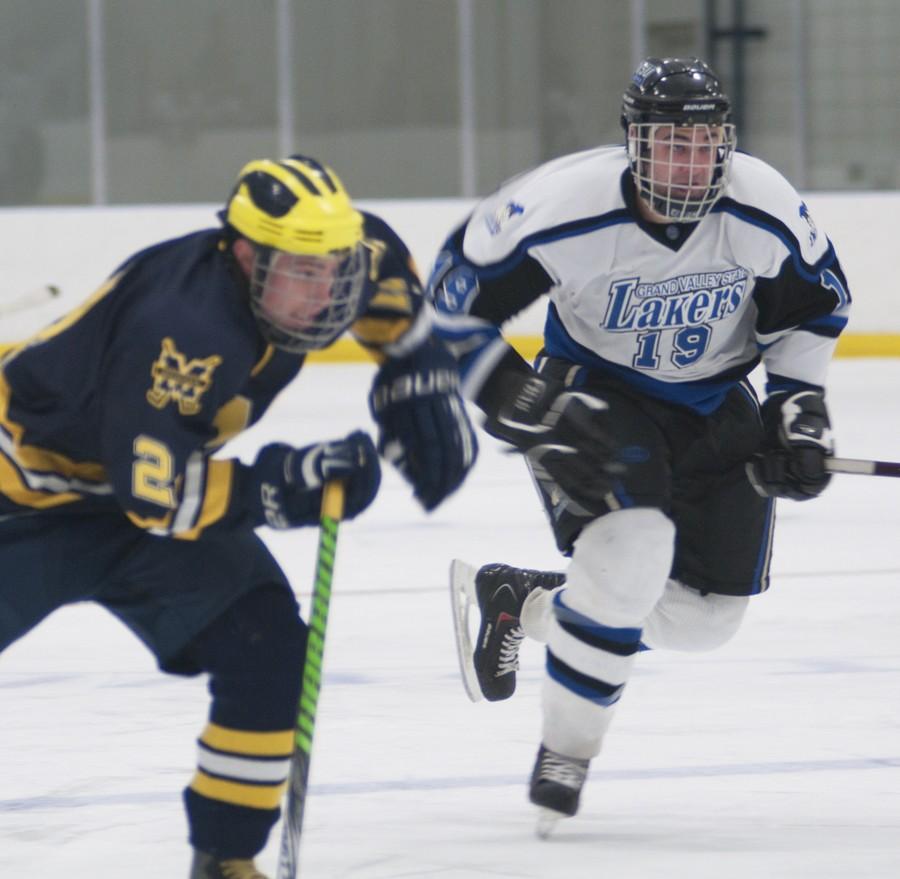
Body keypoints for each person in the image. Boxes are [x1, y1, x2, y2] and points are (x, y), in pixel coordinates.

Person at [0, 154, 477, 878]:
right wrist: (283, 484)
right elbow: (154, 495)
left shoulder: (326, 257)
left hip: (131, 503)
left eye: (332, 273)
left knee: (268, 648)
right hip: (23, 502)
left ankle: (225, 859)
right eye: (303, 275)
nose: (324, 297)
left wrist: (412, 361)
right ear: (246, 255)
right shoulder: (184, 330)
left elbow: (377, 259)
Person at [430, 57, 850, 834]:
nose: (691, 164)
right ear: (634, 143)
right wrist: (516, 398)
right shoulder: (566, 206)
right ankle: (567, 752)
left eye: (706, 144)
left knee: (704, 619)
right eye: (671, 144)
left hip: (717, 400)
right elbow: (453, 302)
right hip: (595, 394)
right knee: (630, 550)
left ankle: (520, 603)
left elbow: (811, 312)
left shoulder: (763, 207)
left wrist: (799, 411)